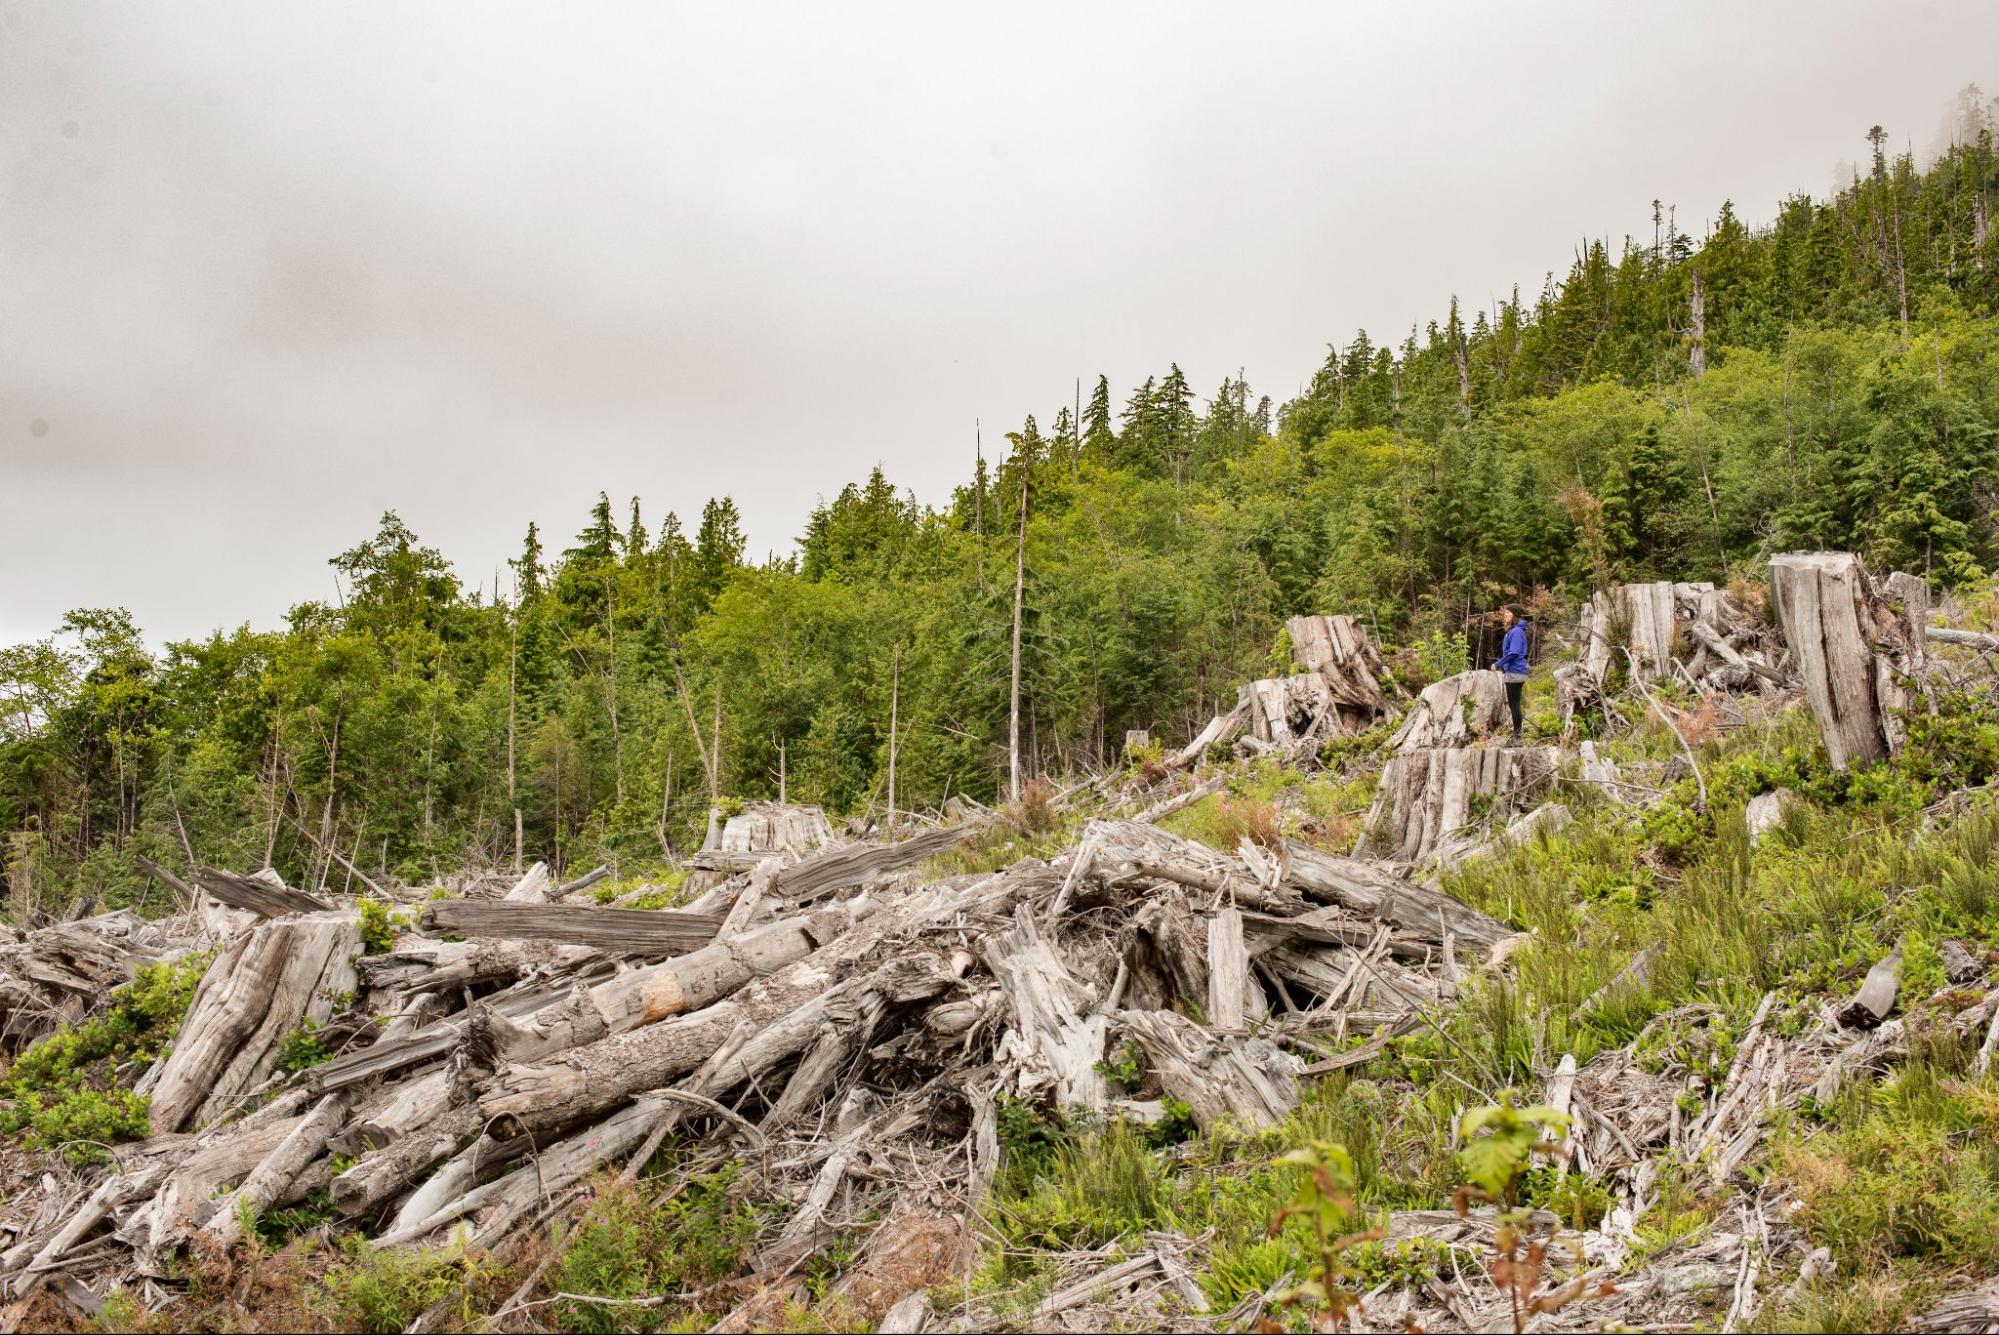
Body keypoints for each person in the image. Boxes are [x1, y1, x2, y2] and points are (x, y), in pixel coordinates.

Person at [1494, 603, 1531, 742]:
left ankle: (1517, 736)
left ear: (1514, 615)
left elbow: (1514, 653)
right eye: (1505, 612)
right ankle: (1517, 734)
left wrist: (1498, 664)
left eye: (1508, 612)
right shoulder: (1514, 631)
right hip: (1514, 671)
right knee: (1514, 704)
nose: (1505, 614)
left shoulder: (1515, 632)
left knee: (1514, 705)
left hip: (1516, 672)